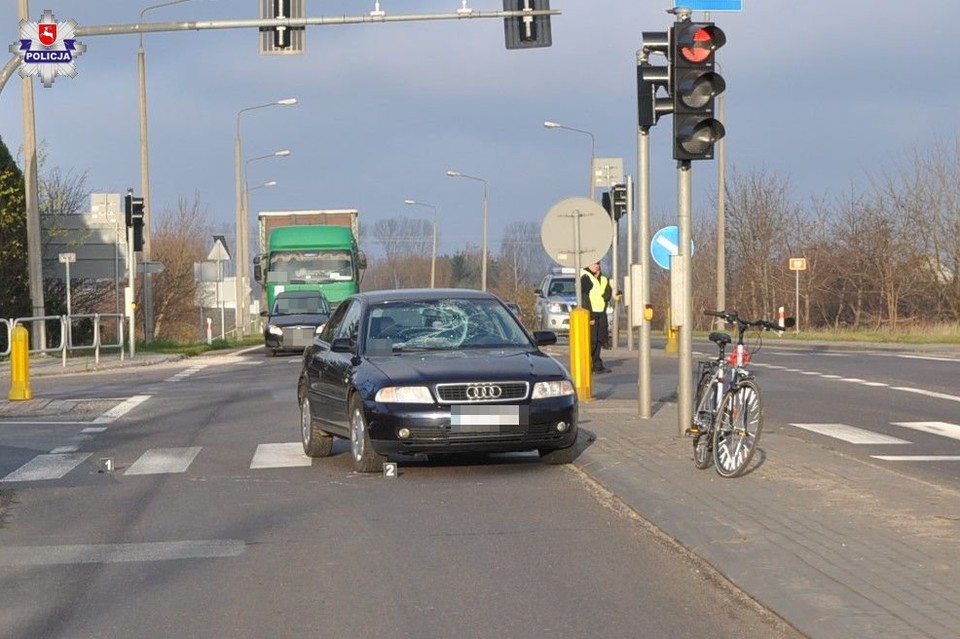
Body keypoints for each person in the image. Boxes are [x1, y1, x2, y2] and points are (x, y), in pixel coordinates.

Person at [580, 261, 612, 374]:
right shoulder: (585, 276)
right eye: (594, 263)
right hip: (591, 313)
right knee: (591, 340)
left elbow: (608, 293)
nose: (597, 265)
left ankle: (597, 365)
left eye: (598, 263)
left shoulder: (603, 278)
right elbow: (584, 298)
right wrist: (590, 316)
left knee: (599, 339)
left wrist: (606, 296)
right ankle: (586, 364)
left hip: (601, 312)